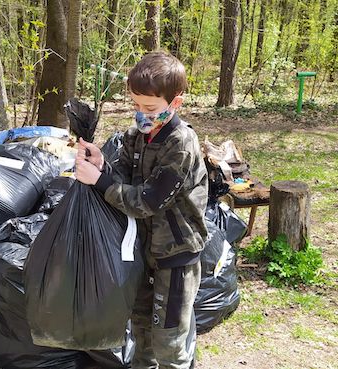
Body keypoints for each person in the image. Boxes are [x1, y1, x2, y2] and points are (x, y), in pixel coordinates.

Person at [74, 51, 208, 369]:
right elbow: (125, 178)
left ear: (175, 103)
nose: (141, 115)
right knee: (141, 332)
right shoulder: (138, 136)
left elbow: (148, 202)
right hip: (143, 252)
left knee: (169, 342)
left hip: (175, 257)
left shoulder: (181, 144)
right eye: (136, 105)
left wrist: (100, 183)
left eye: (150, 108)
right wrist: (101, 165)